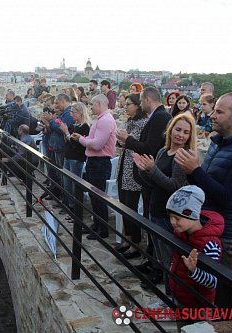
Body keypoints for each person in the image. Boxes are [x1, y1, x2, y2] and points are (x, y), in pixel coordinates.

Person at [174, 92, 232, 309]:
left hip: (227, 234)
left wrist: (196, 170)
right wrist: (191, 172)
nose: (213, 115)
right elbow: (206, 186)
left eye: (220, 111)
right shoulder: (218, 142)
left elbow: (227, 196)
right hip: (209, 226)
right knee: (199, 287)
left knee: (220, 295)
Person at [133, 113, 195, 293]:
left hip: (169, 216)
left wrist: (152, 169)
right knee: (162, 260)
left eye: (185, 132)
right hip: (156, 210)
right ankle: (169, 298)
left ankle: (172, 301)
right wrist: (144, 170)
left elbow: (174, 186)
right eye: (178, 130)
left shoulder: (183, 156)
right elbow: (153, 184)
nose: (180, 135)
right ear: (170, 130)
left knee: (170, 263)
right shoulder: (163, 151)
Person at [116, 87, 172, 273]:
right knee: (149, 217)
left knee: (153, 220)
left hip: (154, 174)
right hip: (149, 175)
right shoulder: (158, 116)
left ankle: (155, 264)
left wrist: (128, 139)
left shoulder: (159, 117)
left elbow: (149, 147)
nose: (140, 105)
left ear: (147, 99)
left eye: (141, 101)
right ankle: (151, 260)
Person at [165, 186, 223, 330]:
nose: (172, 222)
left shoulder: (210, 245)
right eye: (170, 217)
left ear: (193, 215)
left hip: (198, 305)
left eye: (177, 218)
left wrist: (194, 271)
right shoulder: (182, 232)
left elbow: (212, 282)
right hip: (182, 294)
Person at [72, 94, 117, 239]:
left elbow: (97, 144)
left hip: (99, 162)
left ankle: (102, 229)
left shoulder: (105, 120)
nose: (90, 107)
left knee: (98, 197)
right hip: (95, 161)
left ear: (99, 103)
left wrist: (81, 139)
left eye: (92, 104)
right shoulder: (102, 119)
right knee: (94, 196)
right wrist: (86, 140)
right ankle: (97, 225)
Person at [115, 94, 148, 256]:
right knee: (123, 205)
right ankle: (127, 239)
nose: (125, 107)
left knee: (131, 207)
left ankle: (135, 243)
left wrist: (127, 140)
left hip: (134, 169)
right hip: (124, 166)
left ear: (138, 105)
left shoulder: (144, 123)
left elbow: (142, 146)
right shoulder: (130, 121)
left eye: (129, 104)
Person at [58, 102, 91, 215]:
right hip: (68, 156)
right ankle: (69, 206)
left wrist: (67, 133)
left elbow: (77, 146)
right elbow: (69, 141)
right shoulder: (75, 125)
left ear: (81, 112)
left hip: (76, 158)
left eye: (74, 112)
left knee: (74, 186)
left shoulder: (85, 127)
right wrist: (66, 132)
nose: (71, 114)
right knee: (66, 183)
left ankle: (74, 210)